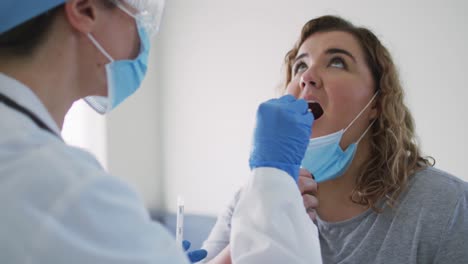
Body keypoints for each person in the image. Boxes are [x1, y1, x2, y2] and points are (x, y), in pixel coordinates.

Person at [0, 0, 324, 263]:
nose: (143, 37)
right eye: (139, 12)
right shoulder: (54, 185)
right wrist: (274, 177)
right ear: (85, 10)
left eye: (336, 62)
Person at [201, 15, 468, 264]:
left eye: (337, 62)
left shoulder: (446, 204)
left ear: (378, 102)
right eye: (300, 65)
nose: (306, 77)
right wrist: (261, 226)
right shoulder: (253, 199)